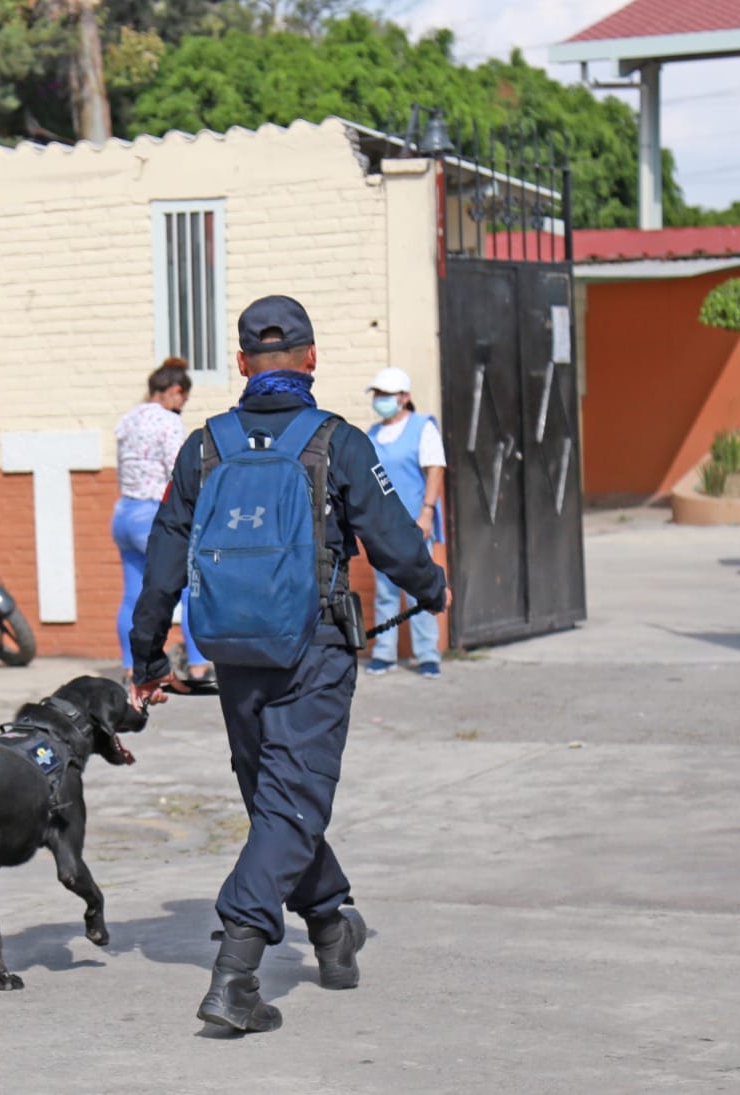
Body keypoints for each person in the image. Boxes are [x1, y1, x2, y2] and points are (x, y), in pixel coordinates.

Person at [128, 295, 447, 1033]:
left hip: (234, 652)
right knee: (289, 801)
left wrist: (148, 654)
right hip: (314, 648)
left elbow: (163, 563)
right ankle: (236, 970)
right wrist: (431, 588)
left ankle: (332, 924)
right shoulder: (335, 441)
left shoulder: (204, 445)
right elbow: (395, 539)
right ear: (310, 359)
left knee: (275, 797)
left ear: (242, 364)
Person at [113, 358, 212, 691]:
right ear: (174, 391)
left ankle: (130, 668)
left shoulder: (129, 418)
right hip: (154, 513)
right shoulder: (168, 423)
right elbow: (179, 470)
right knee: (188, 588)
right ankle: (198, 665)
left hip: (124, 512)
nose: (181, 406)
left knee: (131, 594)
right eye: (182, 399)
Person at [363, 366, 446, 680]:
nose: (381, 400)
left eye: (387, 395)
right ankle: (384, 652)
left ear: (404, 397)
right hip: (381, 527)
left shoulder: (422, 428)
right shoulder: (373, 434)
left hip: (413, 523)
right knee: (385, 591)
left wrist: (427, 511)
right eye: (378, 394)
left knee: (419, 589)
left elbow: (435, 469)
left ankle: (427, 654)